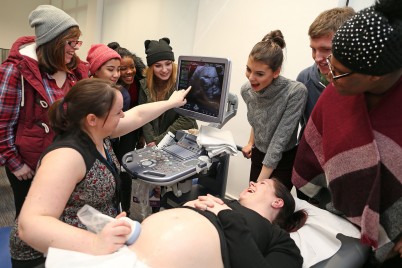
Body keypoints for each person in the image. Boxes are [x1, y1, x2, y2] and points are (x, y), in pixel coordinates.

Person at [11, 78, 190, 267]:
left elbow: (137, 115)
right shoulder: (66, 157)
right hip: (46, 254)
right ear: (92, 119)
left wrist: (172, 102)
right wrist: (96, 243)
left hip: (86, 235)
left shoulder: (96, 131)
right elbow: (29, 225)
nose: (122, 115)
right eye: (117, 112)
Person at [292, 0, 402, 266]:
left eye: (339, 72)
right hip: (334, 220)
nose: (331, 76)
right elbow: (313, 154)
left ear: (374, 77)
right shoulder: (334, 94)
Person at [45, 178, 305, 268]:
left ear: (277, 202)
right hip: (127, 251)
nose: (251, 184)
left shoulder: (279, 240)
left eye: (260, 185)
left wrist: (226, 215)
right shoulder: (221, 203)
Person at [0, 5, 88, 219]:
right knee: (31, 221)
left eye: (77, 42)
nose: (75, 48)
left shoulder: (76, 70)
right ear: (53, 43)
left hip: (66, 162)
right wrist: (15, 163)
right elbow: (2, 124)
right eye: (70, 42)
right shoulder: (15, 71)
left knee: (60, 217)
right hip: (29, 165)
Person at [241, 30, 307, 189]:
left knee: (271, 208)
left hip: (283, 159)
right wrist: (251, 142)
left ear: (276, 72)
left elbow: (279, 140)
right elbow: (259, 119)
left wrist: (256, 186)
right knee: (254, 209)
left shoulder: (295, 92)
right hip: (259, 156)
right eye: (248, 69)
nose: (251, 78)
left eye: (259, 73)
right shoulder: (247, 90)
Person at [296, 7, 355, 139]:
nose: (317, 57)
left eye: (326, 49)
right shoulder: (304, 80)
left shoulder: (364, 85)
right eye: (313, 49)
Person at [108, 42, 147, 216]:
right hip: (110, 130)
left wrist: (141, 135)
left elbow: (144, 109)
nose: (129, 72)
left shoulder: (140, 82)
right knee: (110, 168)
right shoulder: (110, 86)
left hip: (131, 130)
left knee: (125, 168)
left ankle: (127, 209)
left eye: (132, 67)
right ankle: (110, 206)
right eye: (123, 69)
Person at [139, 37, 198, 147]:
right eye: (158, 66)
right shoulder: (144, 85)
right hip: (155, 143)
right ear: (151, 68)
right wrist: (150, 141)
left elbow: (187, 119)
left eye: (168, 63)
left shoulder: (183, 84)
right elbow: (143, 116)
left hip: (182, 141)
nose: (165, 70)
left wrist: (159, 140)